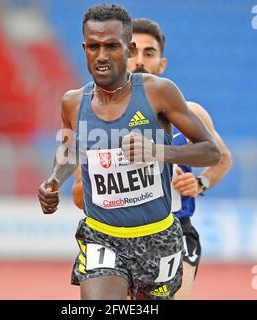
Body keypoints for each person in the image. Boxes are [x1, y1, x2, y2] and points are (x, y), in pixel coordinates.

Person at [38, 4, 221, 300]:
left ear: (128, 48)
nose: (101, 56)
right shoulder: (73, 102)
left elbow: (211, 152)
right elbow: (70, 148)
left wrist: (158, 151)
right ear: (84, 47)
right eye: (93, 46)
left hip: (158, 237)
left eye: (111, 46)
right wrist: (54, 180)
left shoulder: (158, 92)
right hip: (102, 237)